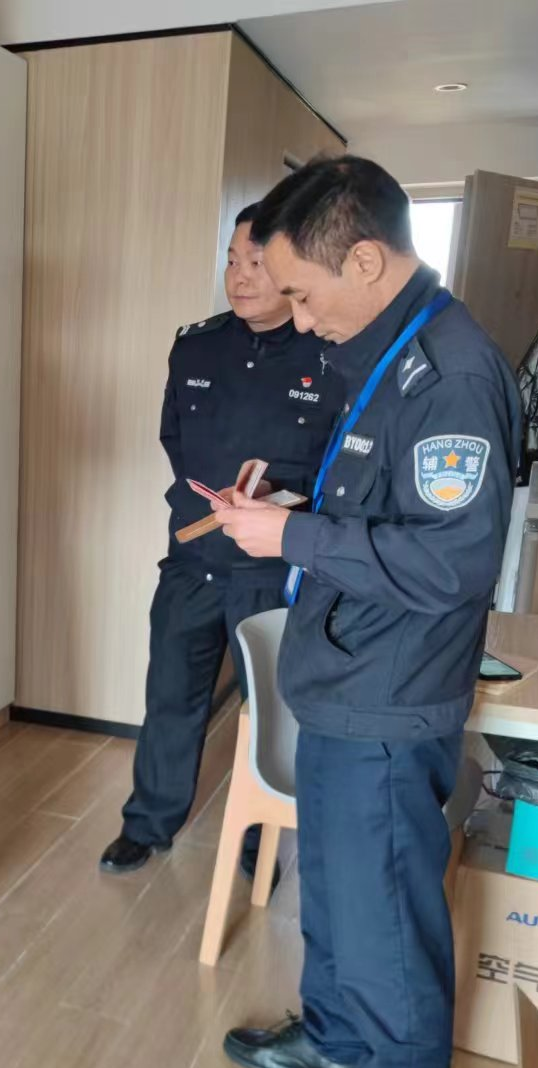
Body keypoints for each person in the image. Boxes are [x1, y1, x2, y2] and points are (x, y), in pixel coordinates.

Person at [212, 156, 521, 1068]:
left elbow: (454, 563)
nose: (297, 319)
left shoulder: (450, 373)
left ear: (367, 260)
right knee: (340, 895)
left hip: (389, 697)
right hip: (349, 678)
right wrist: (294, 507)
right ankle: (338, 1038)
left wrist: (292, 537)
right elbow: (386, 509)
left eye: (302, 293)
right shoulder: (390, 351)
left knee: (387, 925)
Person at [100, 205, 342, 877]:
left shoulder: (329, 355)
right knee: (170, 694)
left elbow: (337, 469)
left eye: (257, 263)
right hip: (194, 557)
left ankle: (258, 839)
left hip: (272, 569)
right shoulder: (197, 347)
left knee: (269, 708)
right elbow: (175, 437)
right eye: (233, 260)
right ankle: (148, 822)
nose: (240, 276)